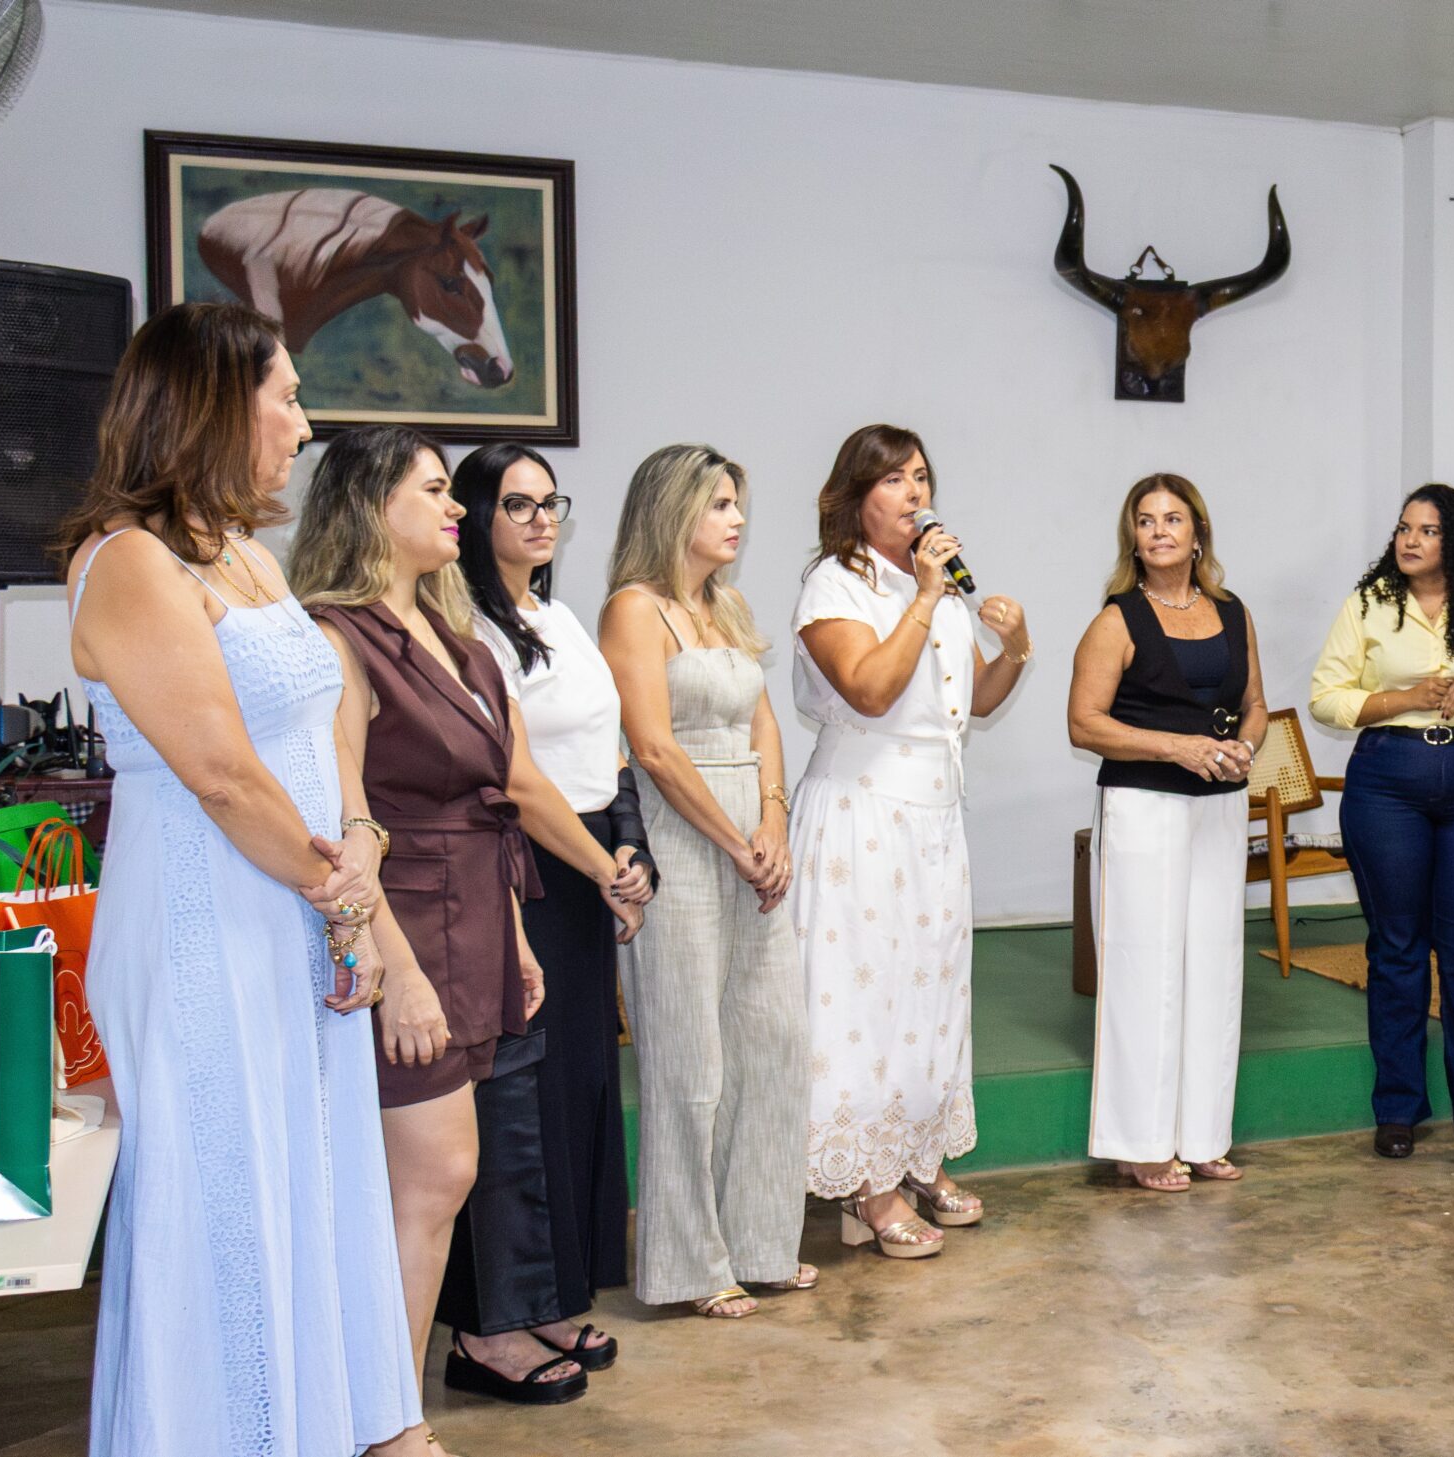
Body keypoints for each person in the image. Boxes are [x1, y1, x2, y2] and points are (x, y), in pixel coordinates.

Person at [61, 302, 419, 1455]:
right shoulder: (128, 561)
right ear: (217, 406)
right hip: (204, 919)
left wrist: (357, 842)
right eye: (287, 397)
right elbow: (218, 770)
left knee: (305, 1187)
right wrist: (345, 897)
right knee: (226, 1200)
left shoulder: (249, 555)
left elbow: (320, 737)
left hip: (294, 909)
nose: (304, 426)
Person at [288, 426, 569, 1436]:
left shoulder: (453, 638)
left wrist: (519, 939)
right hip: (403, 927)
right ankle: (390, 1417)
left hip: (475, 917)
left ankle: (384, 1403)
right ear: (370, 505)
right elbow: (342, 814)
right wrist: (395, 969)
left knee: (432, 1182)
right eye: (437, 490)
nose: (459, 510)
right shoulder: (335, 635)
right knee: (433, 1174)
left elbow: (492, 799)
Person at [435, 442, 656, 1391]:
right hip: (528, 870)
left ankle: (556, 1295)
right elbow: (514, 782)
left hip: (589, 865)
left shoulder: (556, 613)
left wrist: (631, 845)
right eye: (514, 502)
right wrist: (603, 863)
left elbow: (609, 750)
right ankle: (489, 1326)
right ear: (474, 518)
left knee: (575, 1092)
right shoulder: (472, 624)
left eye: (548, 500)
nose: (538, 517)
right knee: (515, 1104)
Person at [790, 425, 1031, 1256]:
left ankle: (918, 1156)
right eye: (894, 480)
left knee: (928, 998)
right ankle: (869, 1188)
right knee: (866, 1004)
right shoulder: (834, 585)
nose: (915, 494)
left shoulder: (943, 594)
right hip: (862, 814)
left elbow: (978, 704)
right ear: (857, 498)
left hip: (932, 821)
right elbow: (868, 688)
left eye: (922, 477)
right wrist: (924, 598)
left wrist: (1017, 650)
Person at [599, 443, 813, 1318]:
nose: (736, 519)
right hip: (680, 840)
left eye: (738, 505)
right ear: (673, 509)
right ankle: (691, 1262)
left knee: (773, 1042)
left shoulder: (725, 604)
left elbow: (763, 719)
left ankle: (762, 1241)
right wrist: (733, 839)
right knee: (690, 1059)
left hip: (744, 838)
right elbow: (650, 745)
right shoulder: (632, 609)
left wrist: (774, 820)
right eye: (720, 503)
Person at [1309, 483, 1454, 1161]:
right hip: (1388, 782)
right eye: (1404, 528)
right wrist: (1400, 698)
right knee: (1398, 949)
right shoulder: (1369, 605)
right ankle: (1399, 1110)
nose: (1409, 540)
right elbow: (1326, 697)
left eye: (1427, 530)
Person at [1067, 474, 1266, 1191]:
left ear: (1197, 531)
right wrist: (1173, 747)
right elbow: (1083, 723)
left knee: (1213, 965)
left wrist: (1246, 745)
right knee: (1144, 969)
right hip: (1145, 804)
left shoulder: (1233, 612)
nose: (1159, 530)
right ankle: (1140, 1140)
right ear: (1134, 538)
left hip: (1220, 802)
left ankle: (1203, 1133)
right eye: (1145, 520)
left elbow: (1255, 704)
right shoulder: (1117, 620)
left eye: (1172, 518)